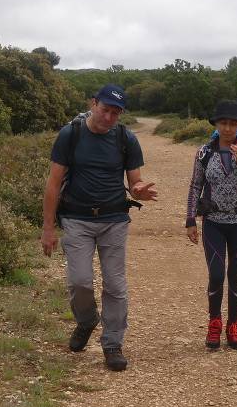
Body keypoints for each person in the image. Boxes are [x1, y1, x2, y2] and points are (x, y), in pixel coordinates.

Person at [41, 84, 157, 371]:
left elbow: (134, 181)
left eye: (115, 113)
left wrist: (139, 190)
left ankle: (112, 344)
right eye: (105, 110)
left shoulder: (125, 139)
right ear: (93, 104)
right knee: (79, 281)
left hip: (113, 220)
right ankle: (86, 320)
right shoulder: (71, 134)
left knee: (115, 285)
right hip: (77, 220)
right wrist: (48, 228)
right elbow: (53, 184)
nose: (109, 118)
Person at [185, 100, 237, 350]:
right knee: (217, 274)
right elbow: (195, 186)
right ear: (216, 125)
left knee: (236, 276)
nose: (228, 128)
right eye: (223, 123)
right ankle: (214, 324)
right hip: (214, 222)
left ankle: (234, 326)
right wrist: (190, 220)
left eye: (233, 123)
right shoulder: (204, 152)